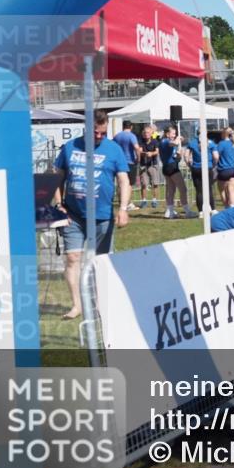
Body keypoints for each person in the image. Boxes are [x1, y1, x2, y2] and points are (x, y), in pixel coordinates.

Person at [53, 109, 131, 319]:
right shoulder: (69, 148)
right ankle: (77, 305)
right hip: (73, 216)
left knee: (102, 261)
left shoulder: (114, 150)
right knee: (73, 258)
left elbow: (124, 181)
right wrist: (59, 204)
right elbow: (57, 179)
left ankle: (99, 303)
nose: (98, 137)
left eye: (102, 133)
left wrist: (123, 209)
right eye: (95, 132)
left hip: (103, 216)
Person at [159, 125, 194, 219]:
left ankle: (170, 212)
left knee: (171, 190)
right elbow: (173, 143)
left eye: (175, 133)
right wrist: (178, 139)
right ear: (167, 134)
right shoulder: (164, 141)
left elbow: (176, 158)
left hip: (170, 166)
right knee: (183, 189)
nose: (174, 135)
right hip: (170, 167)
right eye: (173, 133)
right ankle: (187, 211)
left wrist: (179, 155)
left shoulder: (169, 142)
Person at [185, 132, 219, 214]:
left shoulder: (192, 142)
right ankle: (213, 209)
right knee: (209, 189)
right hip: (208, 167)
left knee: (199, 191)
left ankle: (200, 211)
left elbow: (186, 156)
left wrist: (189, 165)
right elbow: (216, 156)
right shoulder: (211, 143)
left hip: (196, 168)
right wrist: (214, 164)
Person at [113, 120, 140, 210]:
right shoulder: (131, 136)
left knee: (121, 183)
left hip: (119, 162)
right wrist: (138, 158)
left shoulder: (117, 136)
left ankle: (121, 202)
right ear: (131, 127)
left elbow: (112, 146)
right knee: (128, 184)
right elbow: (136, 147)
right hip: (130, 162)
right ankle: (128, 203)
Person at [136, 125, 161, 209]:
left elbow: (157, 152)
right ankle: (144, 201)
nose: (146, 134)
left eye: (148, 132)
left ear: (151, 133)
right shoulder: (140, 141)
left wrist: (151, 153)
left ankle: (154, 201)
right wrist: (143, 153)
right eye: (145, 132)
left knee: (155, 183)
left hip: (153, 164)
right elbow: (139, 151)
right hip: (143, 165)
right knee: (144, 184)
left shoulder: (155, 141)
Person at [215, 127, 234, 208]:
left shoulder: (221, 144)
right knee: (231, 189)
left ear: (223, 134)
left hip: (224, 169)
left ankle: (227, 207)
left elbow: (216, 156)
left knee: (222, 190)